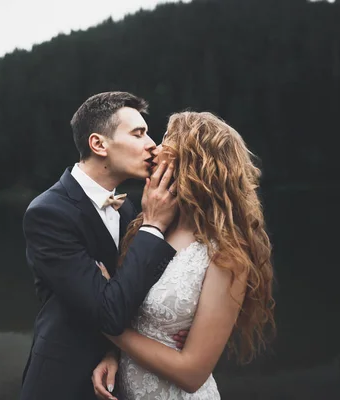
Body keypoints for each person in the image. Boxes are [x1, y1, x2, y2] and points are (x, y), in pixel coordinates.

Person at [92, 111, 275, 400]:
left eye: (167, 139)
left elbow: (192, 374)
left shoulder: (225, 253)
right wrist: (113, 354)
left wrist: (108, 328)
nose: (154, 147)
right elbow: (131, 308)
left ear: (194, 160)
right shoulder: (149, 224)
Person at [20, 91, 189, 400]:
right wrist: (153, 225)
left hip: (114, 371)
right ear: (98, 144)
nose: (151, 144)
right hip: (62, 380)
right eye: (138, 134)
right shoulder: (47, 214)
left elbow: (130, 292)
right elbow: (109, 312)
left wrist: (117, 351)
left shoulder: (125, 208)